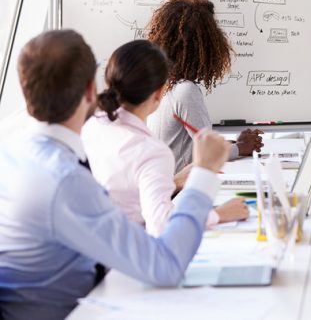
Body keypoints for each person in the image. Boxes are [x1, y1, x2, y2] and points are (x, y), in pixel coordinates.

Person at [0, 30, 230, 319]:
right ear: (88, 91)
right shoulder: (65, 180)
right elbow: (166, 265)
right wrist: (204, 175)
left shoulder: (12, 152)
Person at [82, 40, 249, 237]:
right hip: (128, 251)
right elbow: (162, 226)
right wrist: (217, 214)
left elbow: (123, 188)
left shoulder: (91, 125)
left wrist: (174, 181)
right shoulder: (151, 150)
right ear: (160, 92)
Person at [146, 0, 263, 171]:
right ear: (206, 42)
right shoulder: (185, 91)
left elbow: (197, 144)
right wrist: (241, 147)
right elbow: (210, 152)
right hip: (179, 191)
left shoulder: (161, 85)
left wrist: (238, 142)